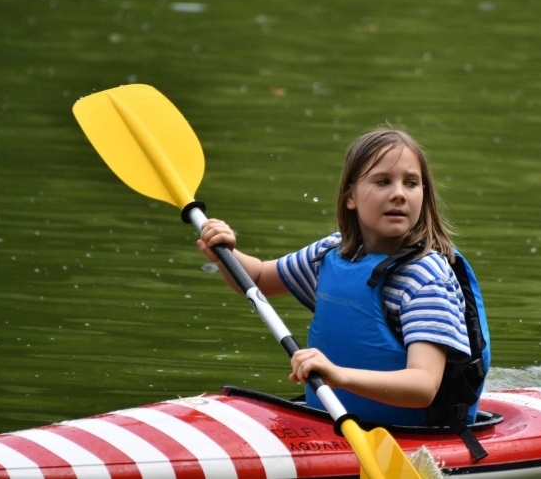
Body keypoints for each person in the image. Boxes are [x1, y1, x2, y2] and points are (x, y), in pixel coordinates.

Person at [196, 125, 490, 428]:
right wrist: (226, 254)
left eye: (411, 183)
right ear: (351, 196)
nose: (399, 194)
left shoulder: (425, 278)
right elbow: (257, 278)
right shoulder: (331, 253)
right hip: (329, 421)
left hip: (410, 433)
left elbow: (422, 387)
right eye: (383, 181)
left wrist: (338, 375)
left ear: (424, 195)